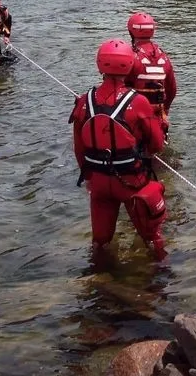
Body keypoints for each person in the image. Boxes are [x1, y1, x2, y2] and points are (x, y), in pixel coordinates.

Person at [69, 39, 168, 259]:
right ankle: (162, 274)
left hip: (99, 182)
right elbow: (157, 145)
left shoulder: (84, 101)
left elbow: (79, 149)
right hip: (132, 181)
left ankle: (98, 275)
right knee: (152, 237)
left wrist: (90, 178)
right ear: (130, 65)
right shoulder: (139, 102)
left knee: (100, 242)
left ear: (99, 65)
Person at [125, 12, 177, 138]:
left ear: (131, 31)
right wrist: (165, 110)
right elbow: (172, 89)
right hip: (158, 118)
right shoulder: (164, 57)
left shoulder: (129, 56)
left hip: (134, 118)